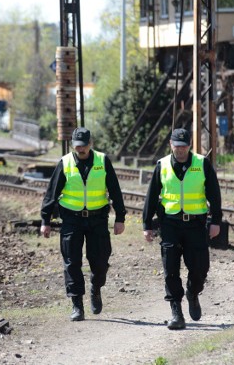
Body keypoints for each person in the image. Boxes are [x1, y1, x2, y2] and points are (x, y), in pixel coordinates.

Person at [41, 127, 127, 322]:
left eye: (84, 145)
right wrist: (45, 220)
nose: (81, 149)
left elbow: (115, 190)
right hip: (72, 219)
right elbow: (51, 193)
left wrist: (120, 217)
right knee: (71, 261)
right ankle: (77, 304)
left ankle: (96, 288)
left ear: (91, 144)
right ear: (73, 145)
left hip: (97, 219)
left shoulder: (102, 161)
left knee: (100, 261)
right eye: (78, 146)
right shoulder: (65, 163)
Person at [142, 127, 222, 330]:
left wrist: (216, 221)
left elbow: (214, 194)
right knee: (170, 269)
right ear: (171, 145)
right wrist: (147, 225)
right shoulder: (162, 165)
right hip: (170, 223)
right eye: (177, 146)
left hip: (196, 224)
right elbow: (151, 196)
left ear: (189, 146)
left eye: (184, 146)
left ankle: (193, 293)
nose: (180, 150)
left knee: (200, 268)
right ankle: (176, 312)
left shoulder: (202, 163)